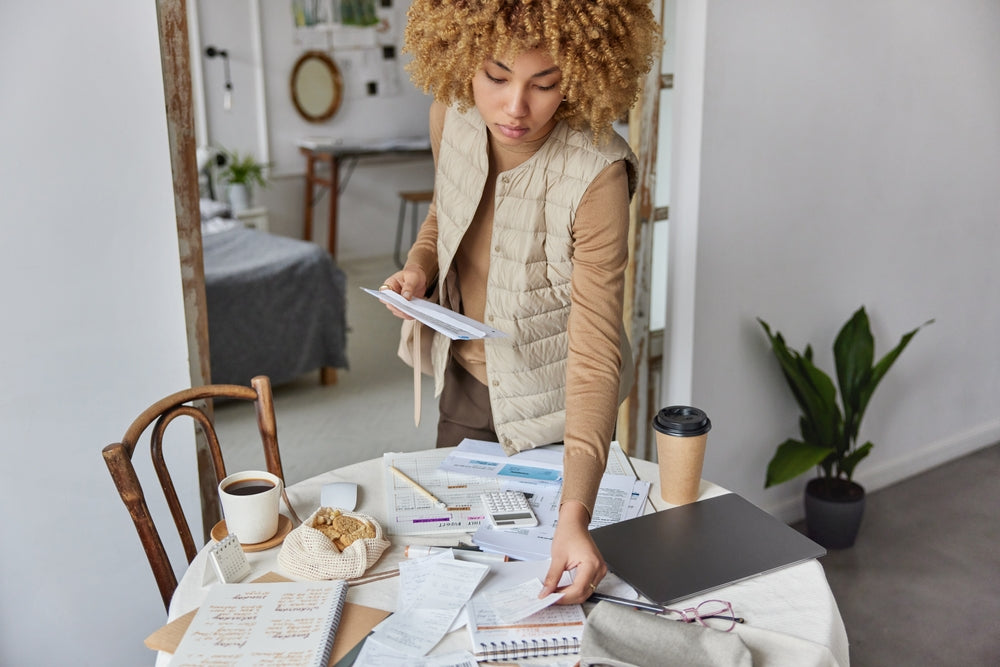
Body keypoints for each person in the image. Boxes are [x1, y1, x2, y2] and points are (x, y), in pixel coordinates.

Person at [379, 0, 659, 604]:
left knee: (551, 581)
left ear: (581, 75)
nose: (515, 107)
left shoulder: (597, 176)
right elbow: (444, 210)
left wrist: (575, 512)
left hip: (558, 404)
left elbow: (592, 352)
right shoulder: (449, 116)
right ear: (460, 58)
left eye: (546, 83)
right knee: (455, 566)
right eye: (496, 76)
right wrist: (419, 268)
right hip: (465, 376)